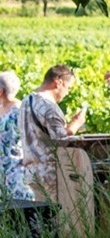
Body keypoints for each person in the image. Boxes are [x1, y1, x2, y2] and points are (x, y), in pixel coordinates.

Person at [19, 64, 87, 202]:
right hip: (50, 175)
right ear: (59, 83)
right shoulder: (49, 106)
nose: (67, 93)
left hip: (32, 172)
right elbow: (62, 141)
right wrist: (76, 123)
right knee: (57, 214)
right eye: (68, 88)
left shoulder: (27, 100)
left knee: (41, 213)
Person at [0, 70, 33, 199]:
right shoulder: (2, 109)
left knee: (20, 207)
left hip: (16, 171)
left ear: (1, 91)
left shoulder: (20, 110)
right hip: (3, 172)